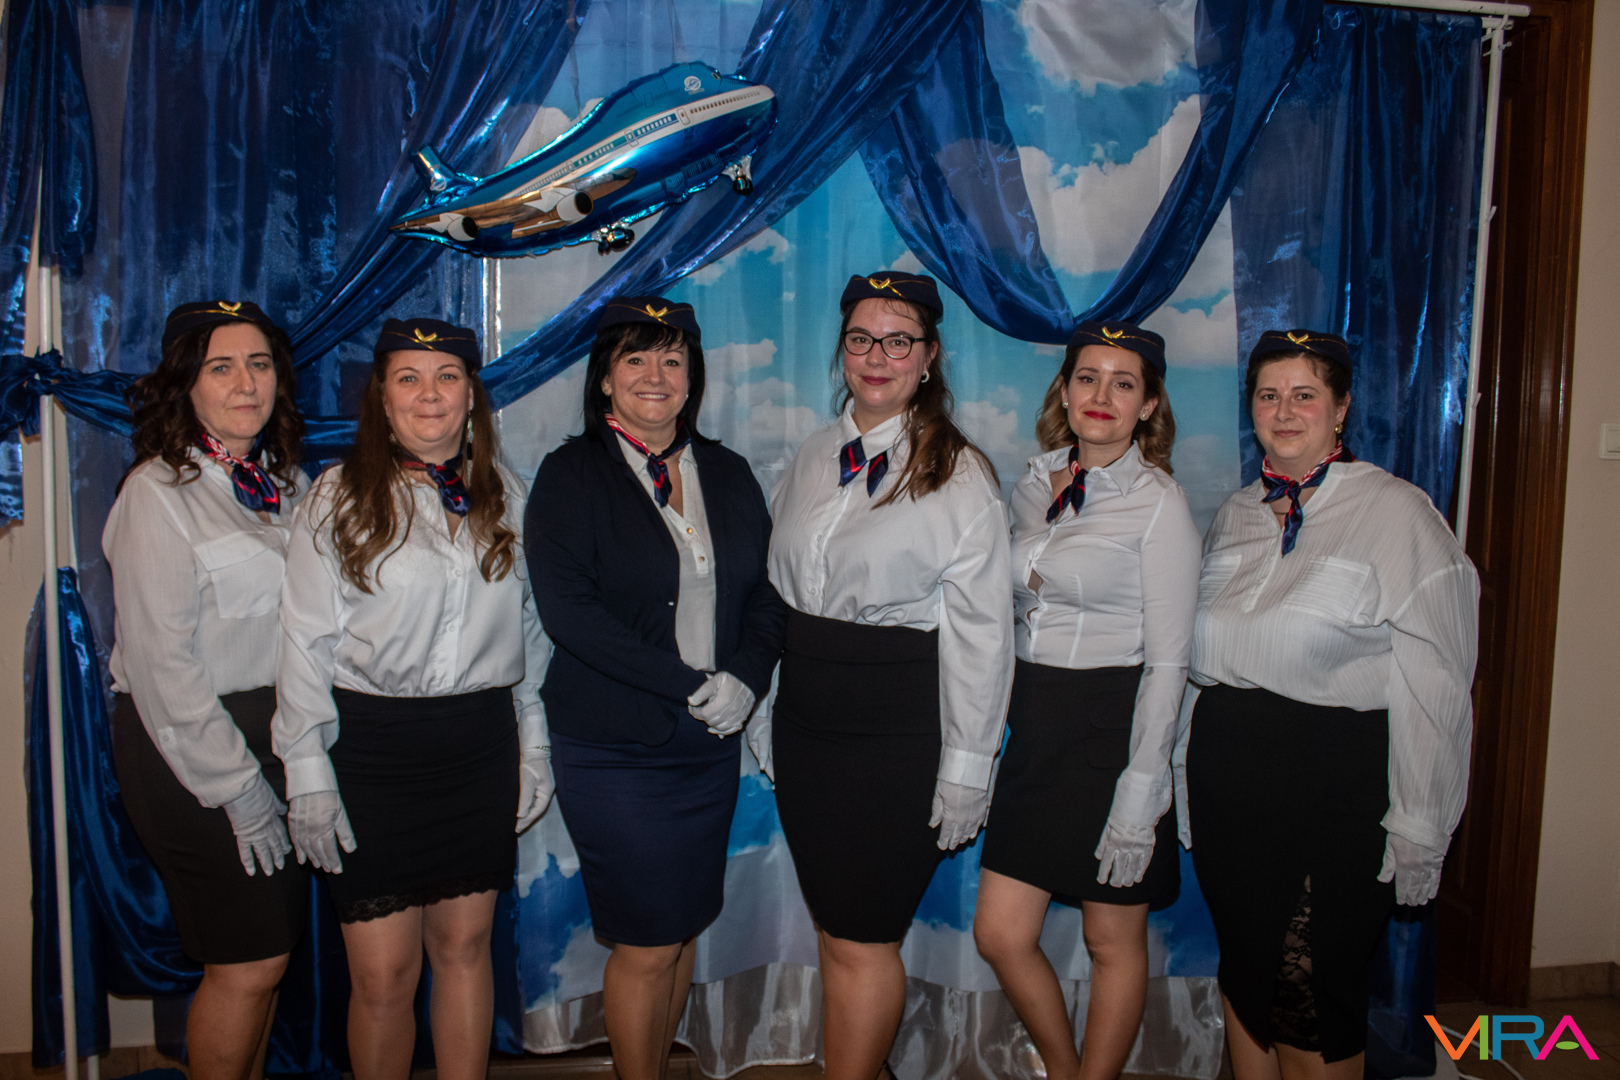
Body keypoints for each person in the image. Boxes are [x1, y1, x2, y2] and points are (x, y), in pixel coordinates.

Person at [1184, 329, 1478, 1080]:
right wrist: (1180, 776)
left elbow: (1437, 681)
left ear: (1341, 408)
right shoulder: (1236, 512)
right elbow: (1198, 670)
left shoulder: (1397, 513)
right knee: (1247, 973)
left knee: (1309, 994)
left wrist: (1421, 823)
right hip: (1229, 787)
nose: (1284, 411)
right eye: (1268, 395)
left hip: (1336, 790)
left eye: (1305, 395)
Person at [274, 318, 552, 1080]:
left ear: (471, 396)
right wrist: (306, 773)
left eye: (447, 377)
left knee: (464, 950)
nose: (430, 394)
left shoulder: (507, 496)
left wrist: (534, 747)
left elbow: (531, 637)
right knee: (384, 977)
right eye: (409, 378)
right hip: (373, 752)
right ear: (382, 397)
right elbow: (303, 644)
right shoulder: (335, 497)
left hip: (479, 745)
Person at [525, 297, 785, 1080]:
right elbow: (570, 614)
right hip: (613, 747)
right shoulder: (570, 475)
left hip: (706, 744)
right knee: (646, 942)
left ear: (692, 378)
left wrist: (747, 678)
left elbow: (768, 595)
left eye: (672, 359)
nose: (655, 374)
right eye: (634, 358)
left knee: (681, 929)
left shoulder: (728, 473)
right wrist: (691, 683)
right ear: (604, 379)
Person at [763, 272, 1014, 1080]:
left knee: (864, 938)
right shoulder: (812, 455)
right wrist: (767, 708)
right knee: (835, 934)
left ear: (930, 356)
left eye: (899, 340)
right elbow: (778, 598)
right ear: (841, 350)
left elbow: (983, 636)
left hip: (895, 731)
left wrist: (968, 766)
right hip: (807, 724)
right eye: (862, 338)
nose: (878, 356)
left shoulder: (960, 475)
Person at [974, 321, 1200, 1080]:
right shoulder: (1033, 484)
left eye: (1123, 382)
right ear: (1064, 392)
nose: (1102, 395)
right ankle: (1067, 1069)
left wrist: (1144, 787)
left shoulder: (1159, 503)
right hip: (1037, 726)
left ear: (1148, 405)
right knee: (1001, 933)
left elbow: (1170, 662)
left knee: (1111, 939)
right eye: (1087, 377)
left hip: (1112, 727)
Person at [105, 300, 308, 1080]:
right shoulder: (157, 492)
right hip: (190, 746)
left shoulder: (285, 484)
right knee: (247, 961)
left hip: (276, 736)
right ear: (186, 384)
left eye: (259, 364)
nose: (246, 383)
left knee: (270, 954)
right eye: (221, 367)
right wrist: (237, 788)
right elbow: (163, 667)